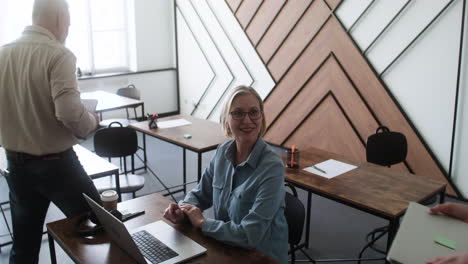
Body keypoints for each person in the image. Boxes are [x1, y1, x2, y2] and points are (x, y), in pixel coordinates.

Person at [0, 0, 101, 263]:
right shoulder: (59, 54)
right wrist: (90, 121)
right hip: (56, 165)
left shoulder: (2, 53)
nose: (68, 28)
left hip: (15, 163)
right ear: (58, 18)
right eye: (68, 22)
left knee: (24, 245)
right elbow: (69, 113)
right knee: (102, 225)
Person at [164, 85, 288, 264]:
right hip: (225, 248)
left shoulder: (272, 168)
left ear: (262, 117)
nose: (247, 120)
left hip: (261, 258)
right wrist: (183, 209)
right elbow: (200, 194)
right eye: (238, 113)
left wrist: (203, 223)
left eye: (254, 112)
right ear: (226, 118)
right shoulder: (222, 152)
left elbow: (249, 236)